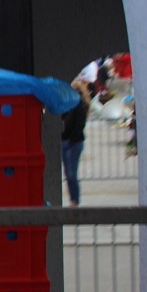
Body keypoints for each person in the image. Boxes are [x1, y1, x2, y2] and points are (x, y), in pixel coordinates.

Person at [61, 79, 91, 207]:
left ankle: (75, 200)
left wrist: (69, 136)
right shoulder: (71, 104)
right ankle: (74, 199)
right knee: (70, 173)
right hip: (69, 140)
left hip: (73, 141)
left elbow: (78, 123)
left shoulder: (78, 104)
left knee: (71, 172)